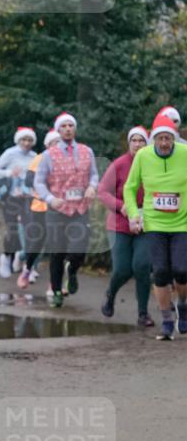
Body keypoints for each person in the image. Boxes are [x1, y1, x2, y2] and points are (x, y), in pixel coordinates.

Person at [123, 112, 187, 340]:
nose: (164, 143)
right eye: (159, 138)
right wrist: (133, 214)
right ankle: (167, 320)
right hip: (154, 222)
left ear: (174, 138)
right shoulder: (143, 156)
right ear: (153, 140)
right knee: (160, 272)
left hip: (182, 223)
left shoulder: (185, 153)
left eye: (168, 138)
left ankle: (183, 305)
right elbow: (130, 188)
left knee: (182, 269)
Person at [34, 112, 99, 308]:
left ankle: (72, 271)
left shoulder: (87, 151)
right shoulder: (48, 155)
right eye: (64, 126)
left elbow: (94, 175)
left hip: (79, 209)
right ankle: (55, 290)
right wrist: (50, 199)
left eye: (71, 125)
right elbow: (39, 181)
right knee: (57, 252)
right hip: (57, 210)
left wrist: (92, 187)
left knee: (80, 249)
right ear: (58, 130)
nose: (68, 129)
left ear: (75, 128)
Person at [98, 126, 153, 326]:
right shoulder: (119, 164)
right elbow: (102, 191)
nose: (138, 144)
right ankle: (110, 295)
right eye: (134, 141)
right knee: (122, 269)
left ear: (147, 144)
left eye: (141, 141)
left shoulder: (152, 163)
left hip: (146, 222)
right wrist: (121, 207)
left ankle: (143, 313)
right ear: (129, 143)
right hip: (120, 224)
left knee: (142, 266)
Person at [0, 128, 37, 278]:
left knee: (29, 231)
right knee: (13, 231)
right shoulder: (10, 153)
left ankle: (25, 264)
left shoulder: (34, 156)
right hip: (11, 198)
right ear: (18, 140)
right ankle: (6, 258)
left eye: (30, 140)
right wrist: (10, 173)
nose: (26, 143)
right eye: (24, 140)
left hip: (28, 198)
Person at [17, 129, 60, 290]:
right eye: (54, 143)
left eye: (60, 142)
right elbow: (29, 181)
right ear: (47, 145)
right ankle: (27, 269)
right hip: (40, 207)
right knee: (36, 244)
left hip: (60, 208)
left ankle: (54, 284)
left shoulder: (68, 161)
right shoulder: (40, 158)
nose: (57, 146)